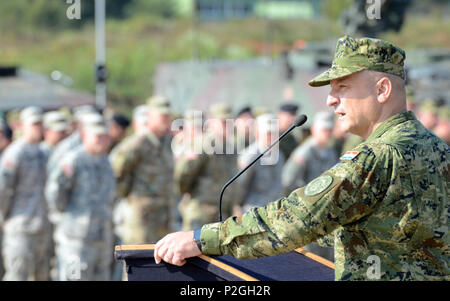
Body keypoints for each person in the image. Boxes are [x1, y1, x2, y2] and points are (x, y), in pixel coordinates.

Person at [153, 35, 449, 281]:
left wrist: (202, 239)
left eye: (343, 87)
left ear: (382, 89)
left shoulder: (376, 158)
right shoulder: (439, 151)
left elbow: (295, 219)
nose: (331, 100)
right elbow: (392, 231)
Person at [45, 120, 115, 280]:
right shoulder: (73, 160)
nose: (101, 141)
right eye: (97, 136)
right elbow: (55, 192)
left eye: (104, 137)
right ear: (84, 136)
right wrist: (65, 218)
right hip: (76, 238)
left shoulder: (106, 162)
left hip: (102, 236)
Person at [110, 96, 174, 245]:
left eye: (168, 115)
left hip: (164, 218)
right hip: (142, 221)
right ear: (150, 116)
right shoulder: (137, 144)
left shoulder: (166, 143)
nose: (166, 119)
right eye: (162, 115)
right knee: (140, 265)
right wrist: (130, 198)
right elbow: (116, 173)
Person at [0, 107, 51, 280]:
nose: (38, 128)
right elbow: (3, 190)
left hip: (41, 225)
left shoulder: (42, 152)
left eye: (40, 124)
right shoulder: (15, 153)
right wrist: (5, 216)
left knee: (41, 275)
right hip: (20, 225)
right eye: (34, 124)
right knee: (17, 275)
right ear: (22, 126)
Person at [282, 111, 338, 261]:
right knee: (310, 261)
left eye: (329, 130)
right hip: (307, 216)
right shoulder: (305, 152)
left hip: (326, 216)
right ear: (314, 129)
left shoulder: (330, 151)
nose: (327, 133)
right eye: (323, 129)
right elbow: (288, 181)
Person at [175, 104, 240, 230]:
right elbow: (183, 176)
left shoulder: (231, 148)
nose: (226, 126)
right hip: (200, 212)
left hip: (223, 214)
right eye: (222, 122)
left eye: (229, 122)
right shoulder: (202, 144)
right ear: (212, 122)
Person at [236, 113, 285, 214]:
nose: (272, 137)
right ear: (257, 133)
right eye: (268, 133)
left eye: (275, 133)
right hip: (252, 211)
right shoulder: (250, 156)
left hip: (274, 211)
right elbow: (240, 187)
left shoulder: (279, 155)